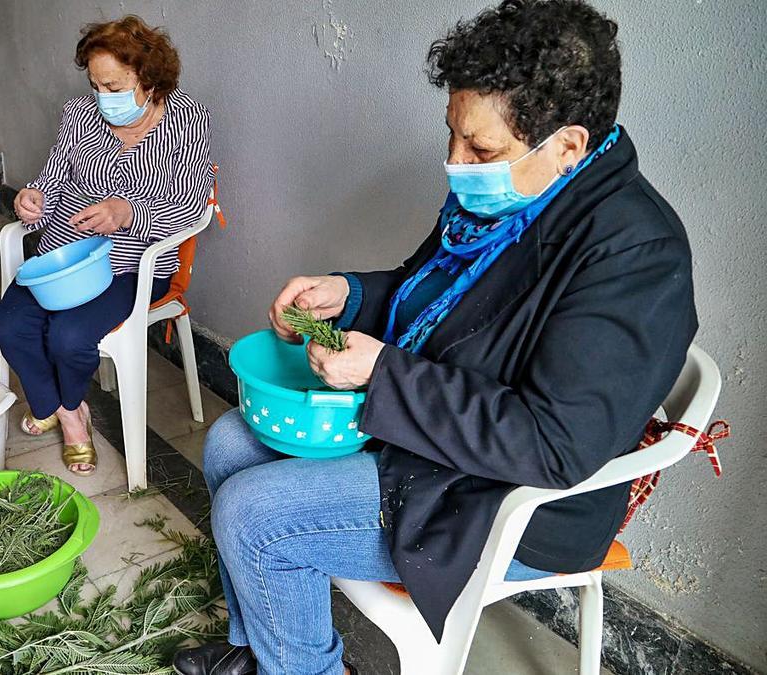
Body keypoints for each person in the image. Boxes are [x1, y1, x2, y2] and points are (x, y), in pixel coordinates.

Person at [174, 1, 698, 674]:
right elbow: (431, 296)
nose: (455, 163)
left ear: (567, 145)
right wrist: (351, 294)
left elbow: (553, 444)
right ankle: (261, 651)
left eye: (480, 150)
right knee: (227, 442)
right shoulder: (510, 192)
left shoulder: (635, 253)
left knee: (254, 513)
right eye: (452, 135)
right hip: (437, 435)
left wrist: (382, 374)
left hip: (506, 493)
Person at [0, 15, 214, 476]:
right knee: (9, 327)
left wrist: (129, 212)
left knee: (69, 337)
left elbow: (192, 206)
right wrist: (33, 198)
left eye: (114, 86)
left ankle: (64, 414)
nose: (102, 97)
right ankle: (70, 411)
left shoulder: (188, 119)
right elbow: (53, 178)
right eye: (96, 85)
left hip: (134, 264)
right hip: (64, 257)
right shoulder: (78, 114)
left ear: (149, 80)